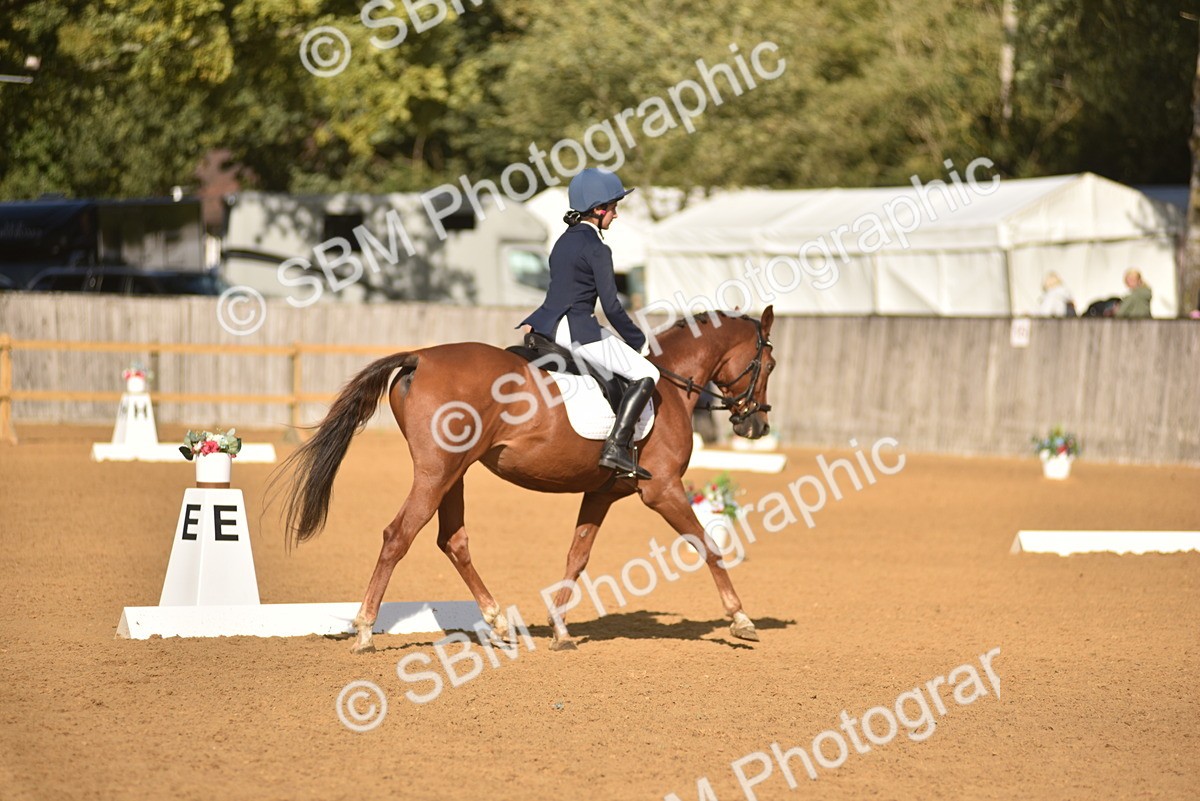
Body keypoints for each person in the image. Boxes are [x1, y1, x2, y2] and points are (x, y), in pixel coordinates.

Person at [519, 168, 659, 480]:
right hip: (578, 329)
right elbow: (612, 307)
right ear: (598, 209)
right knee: (648, 372)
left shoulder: (562, 241)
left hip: (546, 325)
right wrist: (639, 342)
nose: (616, 215)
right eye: (613, 208)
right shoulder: (597, 248)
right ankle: (616, 447)